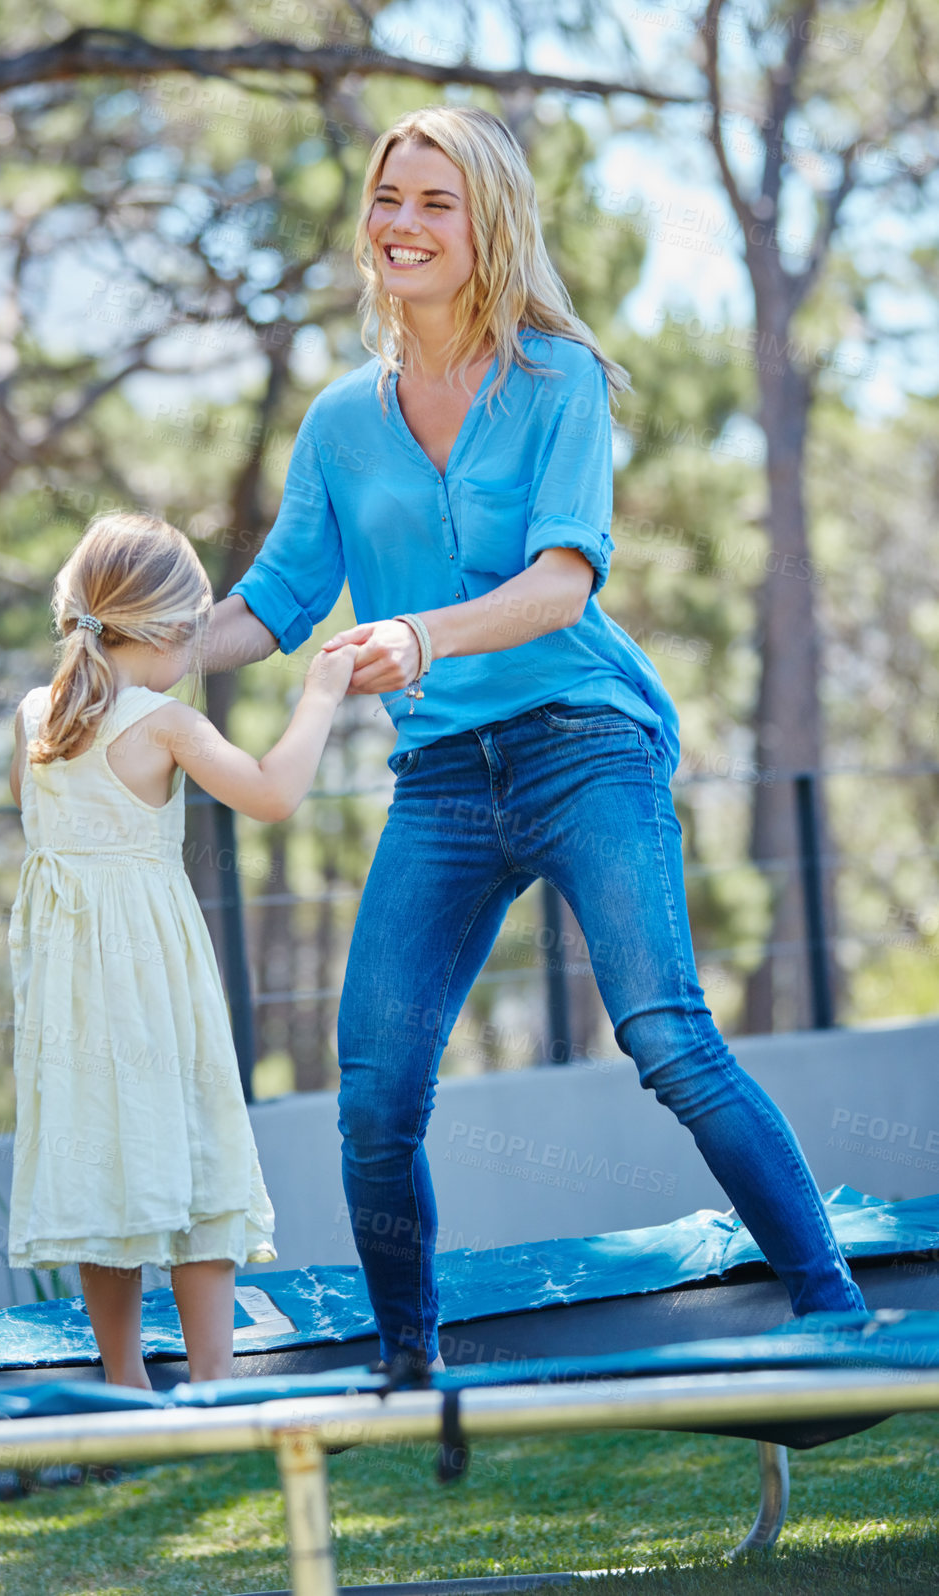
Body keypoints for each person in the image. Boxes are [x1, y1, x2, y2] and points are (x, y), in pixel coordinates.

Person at [202, 104, 865, 1377]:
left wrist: (422, 637)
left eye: (433, 202)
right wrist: (143, 652)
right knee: (376, 1096)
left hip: (583, 745)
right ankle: (410, 1370)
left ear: (487, 223)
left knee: (666, 1035)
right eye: (388, 198)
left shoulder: (557, 378)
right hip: (442, 781)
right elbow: (272, 605)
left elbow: (562, 584)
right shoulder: (341, 422)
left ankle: (832, 1309)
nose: (401, 223)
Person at [7, 511, 355, 1387]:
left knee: (101, 1167)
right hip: (152, 977)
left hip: (68, 990)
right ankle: (213, 1377)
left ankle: (121, 1385)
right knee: (194, 1153)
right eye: (197, 631)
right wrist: (320, 696)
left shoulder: (32, 715)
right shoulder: (162, 722)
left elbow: (36, 820)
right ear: (165, 631)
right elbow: (272, 795)